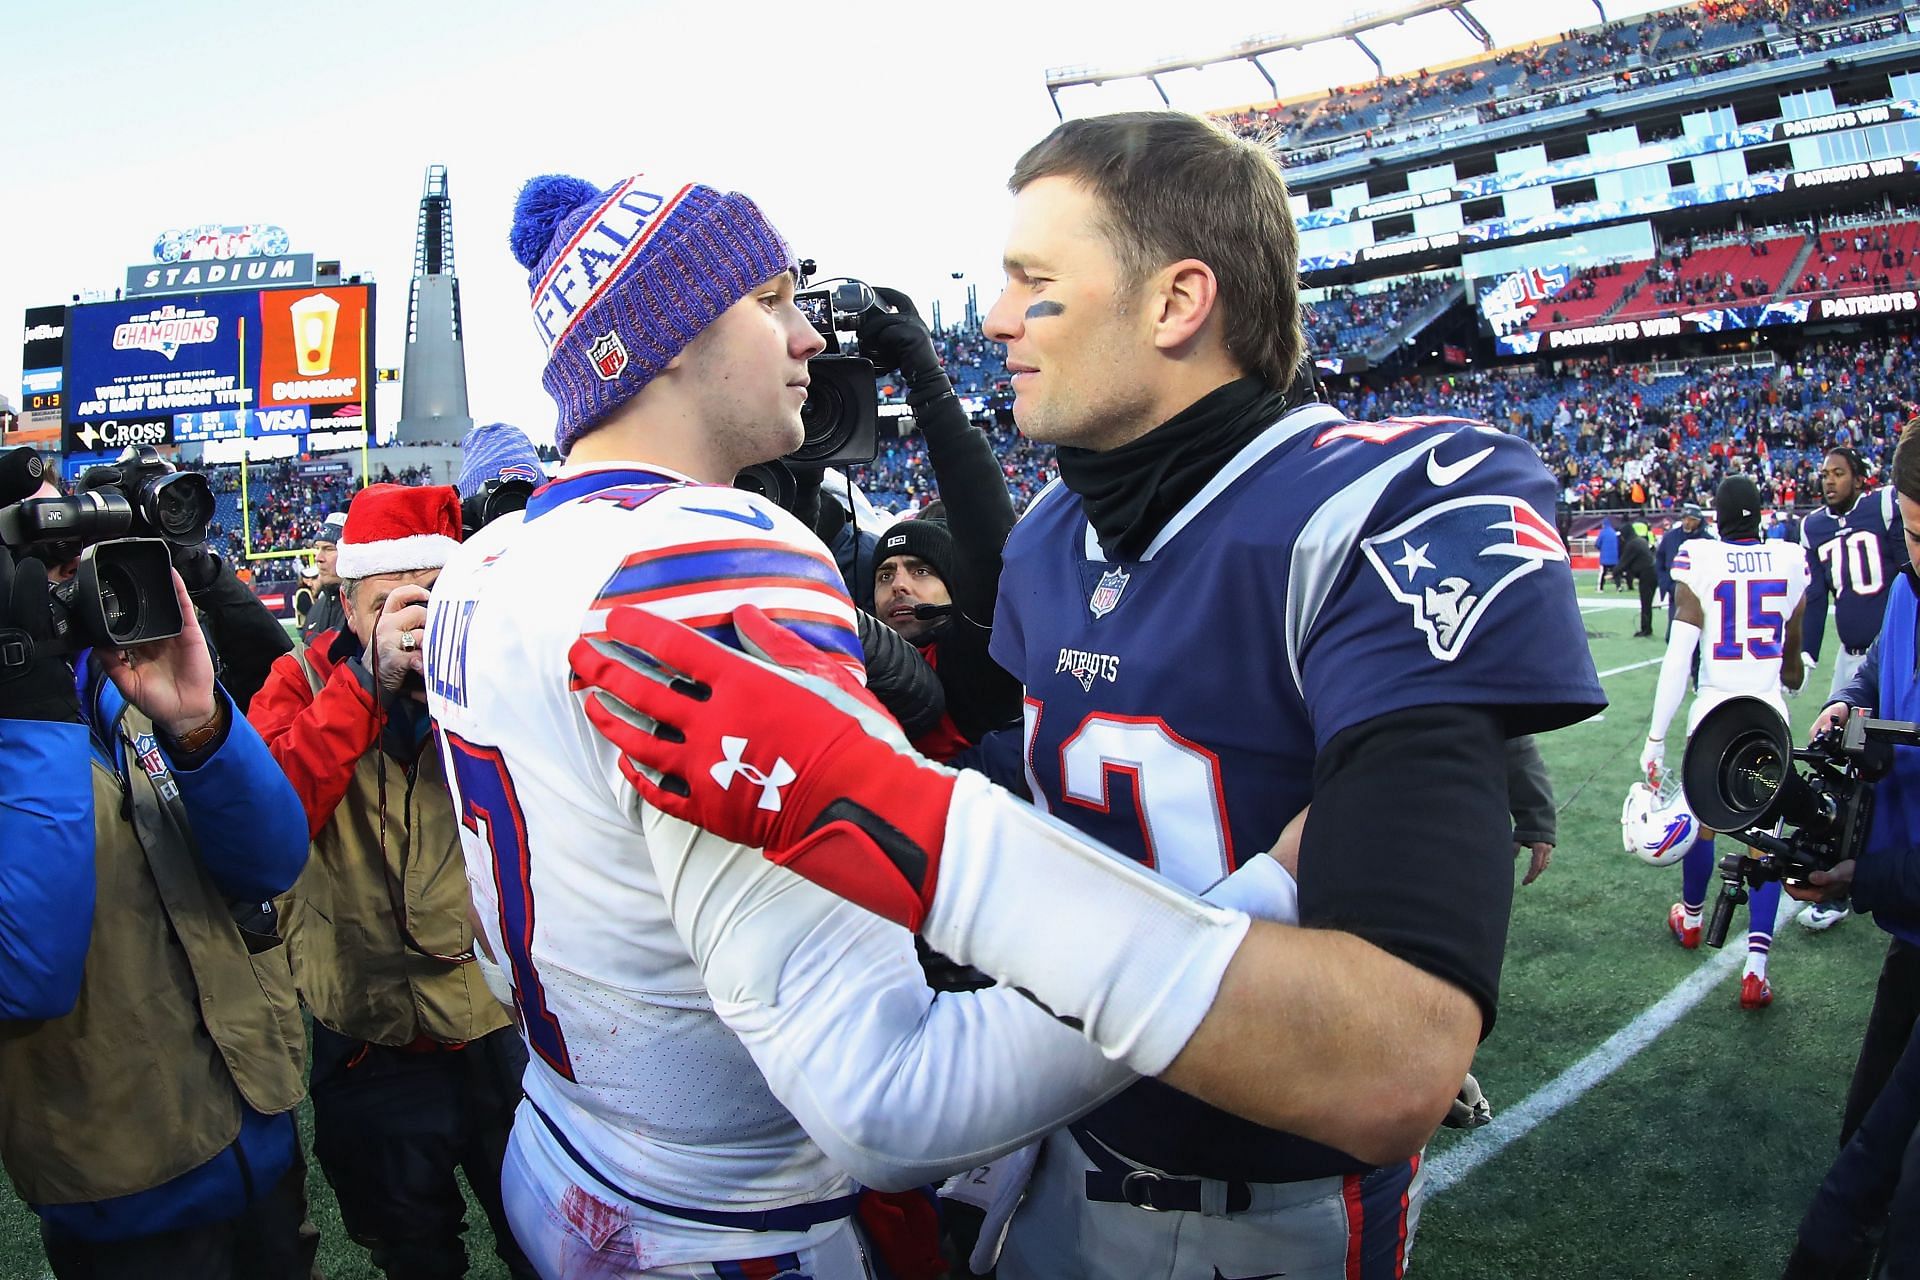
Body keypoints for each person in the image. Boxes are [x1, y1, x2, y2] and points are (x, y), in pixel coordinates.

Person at [572, 111, 1605, 1280]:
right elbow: (1055, 788)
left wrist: (873, 805)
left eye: (1034, 281)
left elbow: (1390, 1064)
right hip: (1054, 1164)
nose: (999, 317)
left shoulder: (1393, 503)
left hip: (1276, 1215)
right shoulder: (1058, 533)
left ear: (1175, 304)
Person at [424, 168, 1282, 1280]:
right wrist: (1257, 917)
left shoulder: (481, 564)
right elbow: (893, 1093)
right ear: (669, 337)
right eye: (773, 298)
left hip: (572, 1150)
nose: (808, 337)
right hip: (734, 1220)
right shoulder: (695, 554)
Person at [0, 545, 315, 1279]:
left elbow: (270, 862)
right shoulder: (47, 712)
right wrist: (34, 715)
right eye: (34, 567)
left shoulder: (118, 687)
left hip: (257, 1131)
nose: (62, 585)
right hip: (121, 1181)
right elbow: (31, 971)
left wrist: (201, 723)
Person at [248, 483, 535, 1280]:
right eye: (388, 604)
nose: (412, 623)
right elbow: (266, 826)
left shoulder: (495, 672)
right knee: (410, 1252)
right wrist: (364, 688)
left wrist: (461, 686)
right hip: (365, 1029)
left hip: (493, 1019)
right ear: (345, 606)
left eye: (433, 600)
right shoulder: (298, 682)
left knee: (544, 1238)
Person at [1640, 474, 1808, 1009]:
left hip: (1715, 718)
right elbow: (1795, 670)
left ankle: (1691, 921)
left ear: (1717, 515)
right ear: (1760, 514)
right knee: (1766, 843)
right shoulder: (1788, 559)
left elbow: (1677, 657)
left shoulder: (1699, 557)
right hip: (1765, 720)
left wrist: (1656, 737)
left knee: (1705, 828)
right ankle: (1754, 971)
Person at [860, 290, 1024, 746]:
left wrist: (928, 380)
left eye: (922, 570)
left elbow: (983, 522)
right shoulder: (856, 660)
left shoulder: (979, 658)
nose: (899, 585)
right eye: (886, 573)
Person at [1799, 446, 1908, 933]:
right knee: (1850, 764)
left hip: (1899, 660)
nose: (1829, 481)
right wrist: (1815, 662)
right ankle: (1847, 877)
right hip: (1861, 657)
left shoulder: (1884, 507)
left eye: (1839, 473)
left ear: (1862, 479)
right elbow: (1819, 594)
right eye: (1824, 474)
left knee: (1892, 756)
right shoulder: (1815, 527)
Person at [1657, 502, 1711, 635]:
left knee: (1699, 636)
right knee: (1674, 634)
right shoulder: (1670, 538)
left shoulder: (1708, 542)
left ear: (1699, 521)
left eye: (1692, 520)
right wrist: (1667, 585)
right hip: (1676, 593)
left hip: (1701, 595)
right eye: (1685, 519)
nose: (1687, 522)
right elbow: (1660, 562)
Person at [302, 510, 349, 643]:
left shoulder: (365, 609)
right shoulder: (317, 607)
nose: (318, 558)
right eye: (318, 548)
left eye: (329, 549)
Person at [1617, 521, 1658, 636]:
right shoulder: (1641, 541)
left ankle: (1646, 629)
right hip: (1652, 572)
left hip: (1647, 574)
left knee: (1645, 603)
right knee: (1647, 603)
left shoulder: (1633, 544)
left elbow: (1624, 562)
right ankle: (1646, 627)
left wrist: (1615, 573)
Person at [1597, 512, 1620, 590]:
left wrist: (1601, 549)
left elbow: (1597, 543)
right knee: (1616, 572)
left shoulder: (1602, 532)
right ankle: (1618, 587)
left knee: (1603, 573)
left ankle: (1600, 588)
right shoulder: (1613, 532)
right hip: (1614, 557)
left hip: (1605, 557)